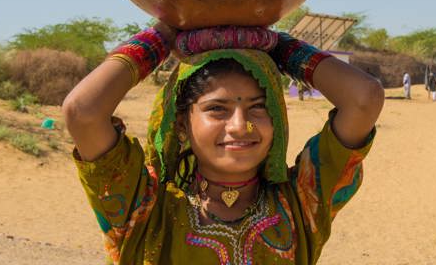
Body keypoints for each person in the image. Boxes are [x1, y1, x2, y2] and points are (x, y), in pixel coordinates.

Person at [63, 24, 384, 264]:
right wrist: (161, 36)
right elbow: (83, 112)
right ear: (181, 124)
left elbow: (364, 98)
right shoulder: (147, 211)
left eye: (259, 108)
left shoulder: (300, 203)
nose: (240, 126)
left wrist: (280, 46)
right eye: (217, 109)